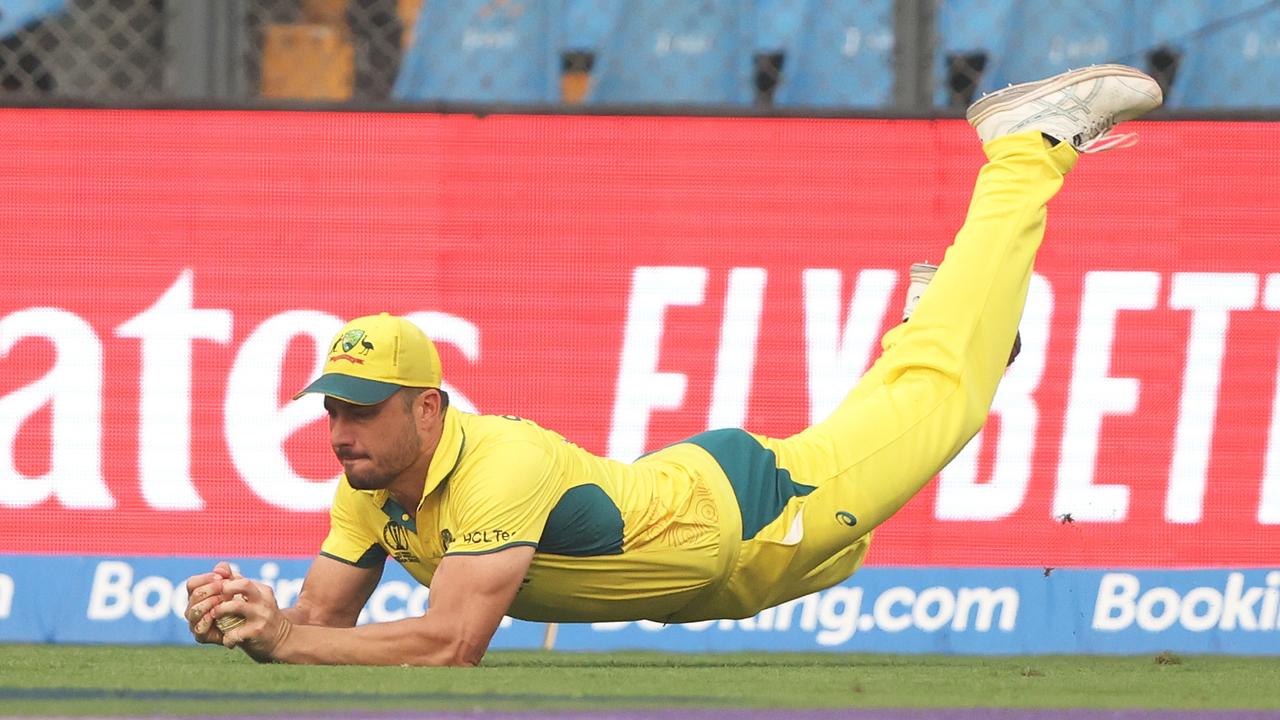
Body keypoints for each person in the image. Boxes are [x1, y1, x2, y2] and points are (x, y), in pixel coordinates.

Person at [184, 64, 1163, 666]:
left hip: (758, 515)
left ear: (429, 408)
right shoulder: (370, 482)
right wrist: (248, 615)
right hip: (734, 573)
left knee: (941, 402)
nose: (340, 430)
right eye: (331, 411)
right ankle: (942, 315)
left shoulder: (497, 465)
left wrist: (287, 640)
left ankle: (1025, 145)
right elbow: (322, 625)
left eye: (361, 408)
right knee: (931, 393)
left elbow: (448, 645)